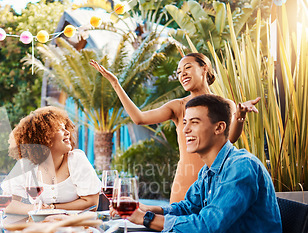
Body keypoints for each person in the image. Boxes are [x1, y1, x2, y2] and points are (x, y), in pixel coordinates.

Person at [123, 94, 281, 233]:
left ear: (219, 127)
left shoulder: (241, 167)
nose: (185, 129)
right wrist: (148, 208)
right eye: (185, 122)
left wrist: (146, 218)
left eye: (194, 122)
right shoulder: (208, 169)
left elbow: (207, 226)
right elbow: (188, 207)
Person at [90, 53, 260, 203]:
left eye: (187, 67)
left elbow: (229, 139)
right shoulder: (178, 106)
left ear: (204, 68)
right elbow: (139, 118)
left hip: (217, 181)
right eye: (178, 72)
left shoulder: (225, 105)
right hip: (185, 182)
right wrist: (115, 84)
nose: (182, 74)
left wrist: (240, 116)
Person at [4, 106, 102, 215]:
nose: (67, 132)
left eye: (66, 127)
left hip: (75, 228)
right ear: (42, 137)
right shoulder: (26, 165)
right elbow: (7, 204)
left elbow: (91, 204)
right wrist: (37, 209)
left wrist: (51, 208)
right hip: (39, 229)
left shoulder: (76, 159)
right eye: (59, 129)